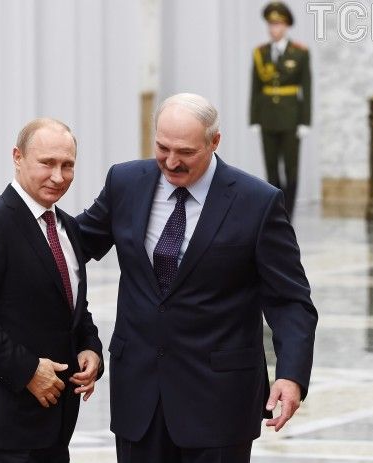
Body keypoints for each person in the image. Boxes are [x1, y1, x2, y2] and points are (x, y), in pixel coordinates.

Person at [76, 93, 318, 463]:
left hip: (219, 401)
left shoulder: (258, 201)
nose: (172, 161)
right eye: (162, 147)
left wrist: (292, 375)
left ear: (214, 141)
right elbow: (72, 248)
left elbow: (290, 301)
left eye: (185, 152)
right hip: (139, 396)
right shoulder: (125, 182)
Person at [0, 118, 103, 463]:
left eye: (67, 165)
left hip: (54, 427)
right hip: (1, 429)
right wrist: (28, 370)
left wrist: (90, 346)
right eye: (47, 163)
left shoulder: (68, 227)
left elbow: (72, 304)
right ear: (17, 157)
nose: (58, 176)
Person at [249, 1, 312, 218]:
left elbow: (306, 88)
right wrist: (254, 118)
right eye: (271, 24)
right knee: (271, 168)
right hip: (267, 117)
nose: (273, 29)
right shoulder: (260, 53)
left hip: (291, 118)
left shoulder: (300, 53)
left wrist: (305, 121)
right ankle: (276, 213)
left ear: (286, 26)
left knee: (291, 169)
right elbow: (255, 87)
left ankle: (288, 214)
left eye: (278, 24)